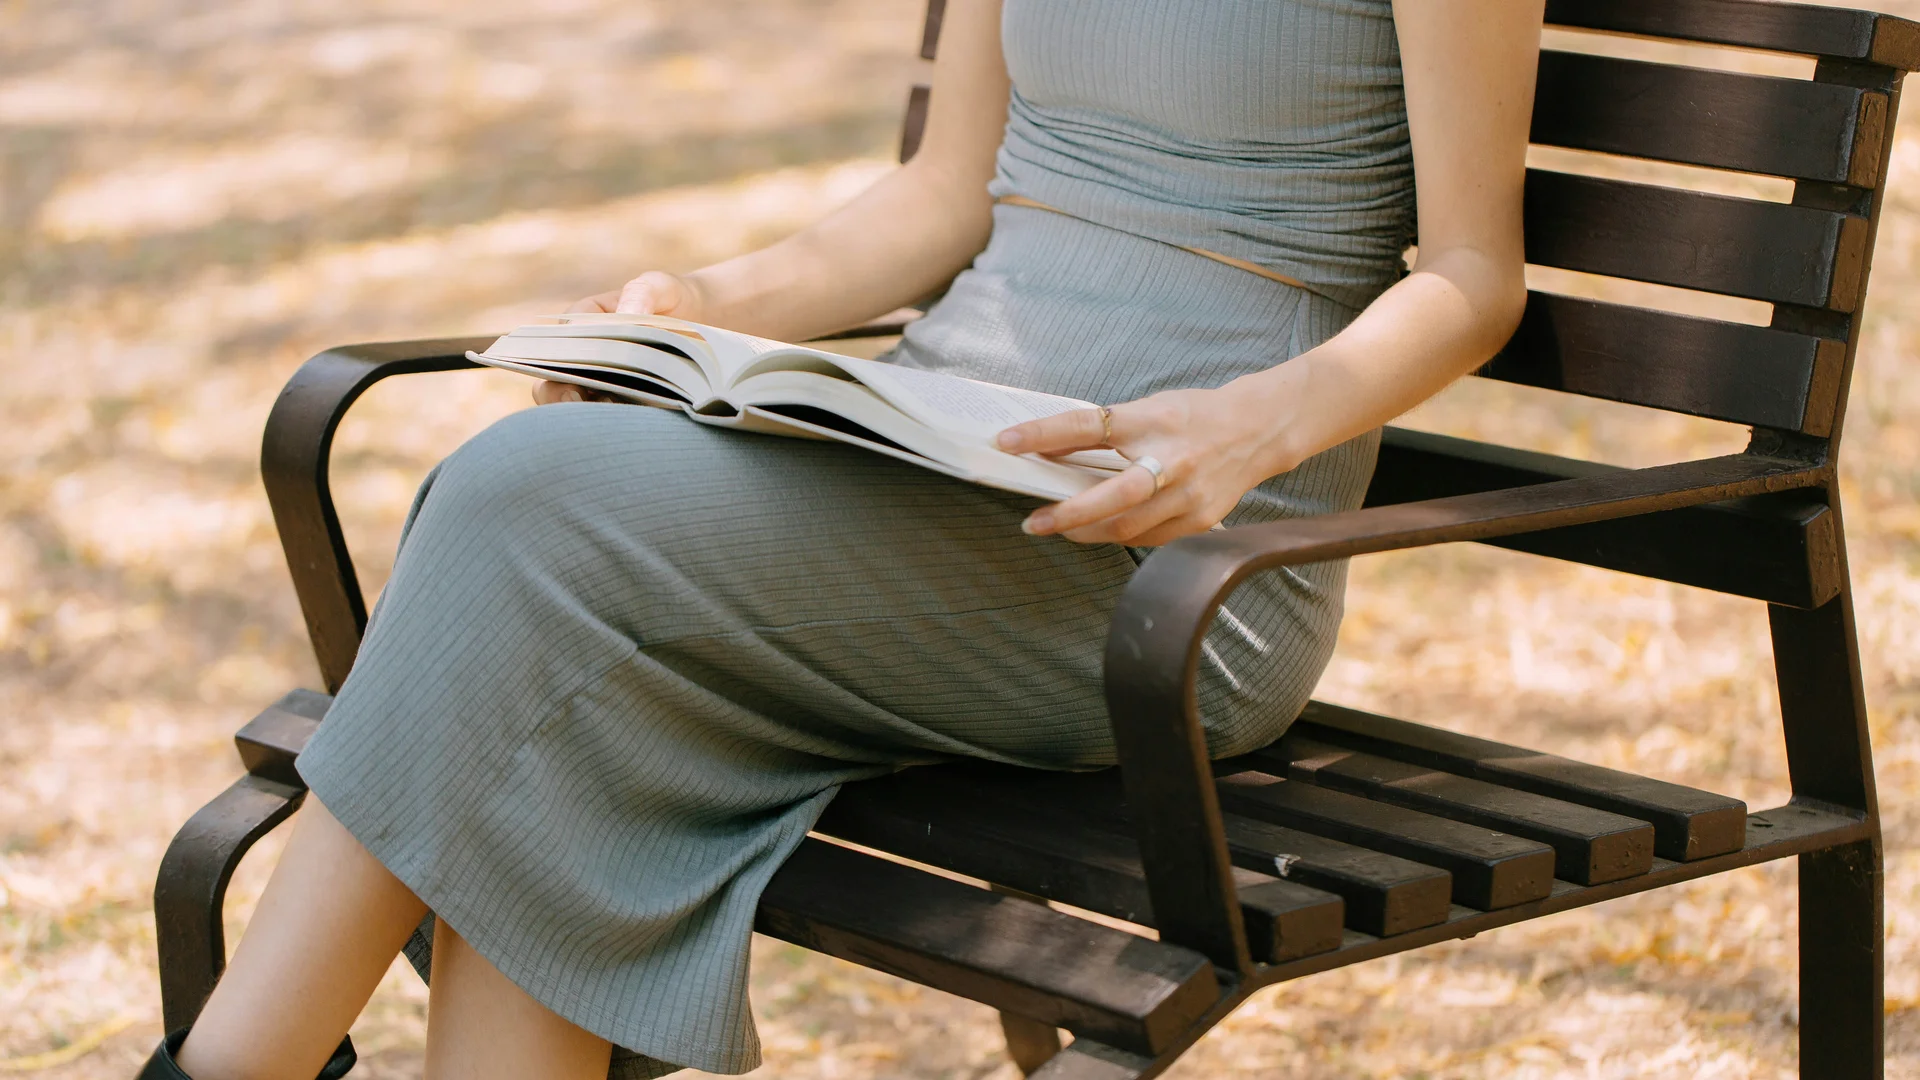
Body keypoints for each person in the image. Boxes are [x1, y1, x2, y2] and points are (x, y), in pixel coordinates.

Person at [140, 0, 1540, 1076]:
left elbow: (1475, 278)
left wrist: (1254, 426)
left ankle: (233, 1063)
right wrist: (700, 298)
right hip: (921, 461)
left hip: (1173, 557)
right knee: (544, 618)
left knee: (522, 507)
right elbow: (943, 196)